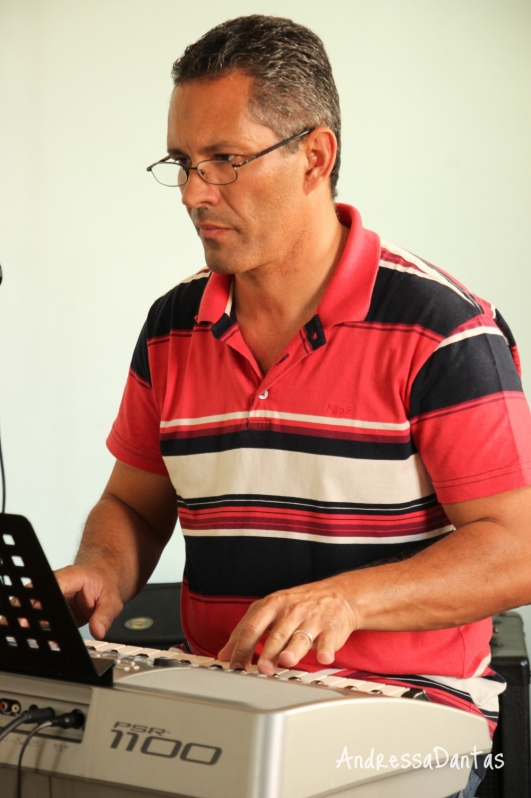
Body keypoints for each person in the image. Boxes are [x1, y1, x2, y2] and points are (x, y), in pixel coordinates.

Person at [55, 15, 531, 798]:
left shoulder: (443, 331)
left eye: (225, 161)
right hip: (222, 704)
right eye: (182, 162)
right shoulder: (171, 327)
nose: (193, 193)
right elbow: (132, 503)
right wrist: (105, 568)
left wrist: (351, 598)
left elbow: (516, 550)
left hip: (407, 714)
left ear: (315, 156)